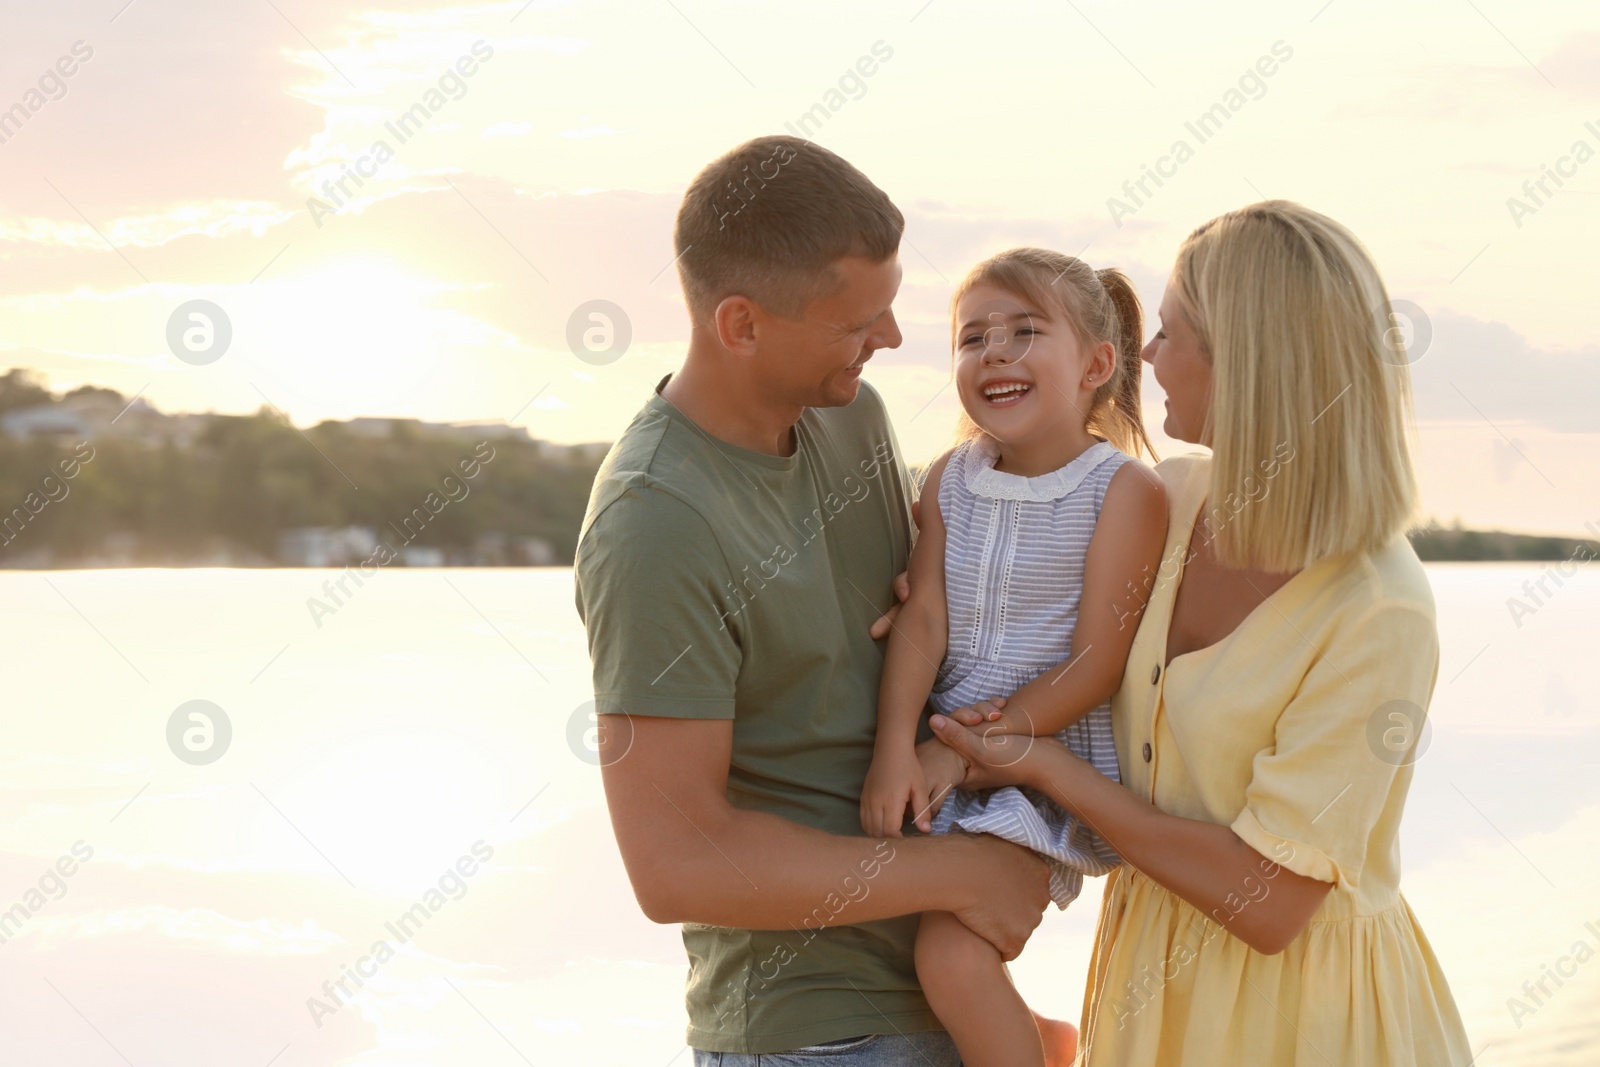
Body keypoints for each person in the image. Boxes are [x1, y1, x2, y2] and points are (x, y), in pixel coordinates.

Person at [922, 201, 1474, 1064]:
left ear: (1249, 361)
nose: (1148, 356)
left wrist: (1042, 763)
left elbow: (1267, 901)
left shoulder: (1379, 607)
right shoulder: (1163, 500)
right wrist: (916, 598)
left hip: (1311, 1023)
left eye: (1172, 333)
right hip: (1151, 986)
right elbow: (1016, 594)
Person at [572, 135, 1052, 1066]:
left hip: (951, 997)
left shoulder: (851, 414)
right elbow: (676, 862)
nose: (892, 340)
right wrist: (961, 870)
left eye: (889, 307)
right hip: (813, 1036)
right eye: (855, 322)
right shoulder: (656, 523)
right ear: (742, 325)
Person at [859, 248, 1166, 1066]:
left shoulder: (1123, 491)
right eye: (972, 337)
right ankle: (1044, 1043)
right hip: (936, 752)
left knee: (951, 957)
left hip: (1039, 762)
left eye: (1025, 331)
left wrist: (965, 755)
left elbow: (1094, 662)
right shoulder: (948, 481)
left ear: (1097, 364)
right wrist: (897, 747)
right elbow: (921, 620)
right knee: (892, 931)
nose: (993, 351)